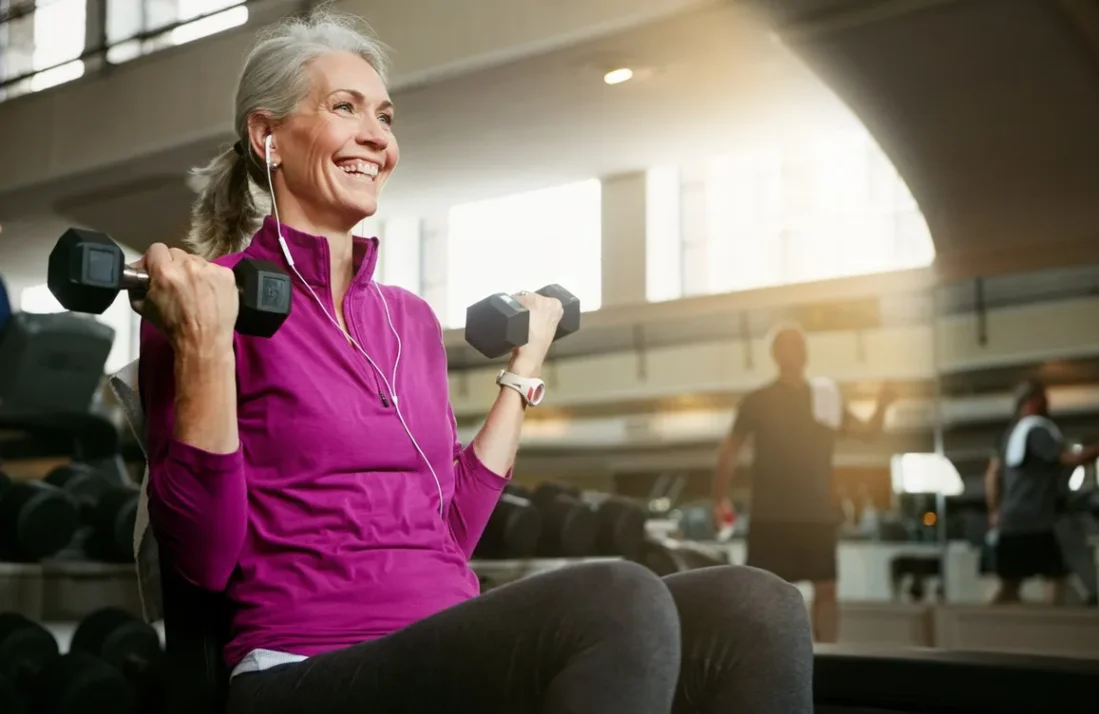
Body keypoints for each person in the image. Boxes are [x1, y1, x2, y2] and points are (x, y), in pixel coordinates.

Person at [134, 11, 813, 714]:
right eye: (344, 108)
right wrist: (206, 345)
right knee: (618, 598)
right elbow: (204, 562)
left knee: (755, 604)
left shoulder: (410, 321)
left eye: (386, 117)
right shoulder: (208, 303)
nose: (376, 136)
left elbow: (450, 536)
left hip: (440, 640)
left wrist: (525, 369)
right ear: (266, 135)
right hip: (305, 666)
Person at [713, 322, 896, 643]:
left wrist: (883, 405)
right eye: (787, 344)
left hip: (817, 512)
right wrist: (719, 499)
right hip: (772, 515)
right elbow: (729, 450)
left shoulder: (825, 397)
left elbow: (866, 433)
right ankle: (764, 658)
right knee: (764, 592)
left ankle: (828, 660)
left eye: (799, 344)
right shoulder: (758, 400)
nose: (795, 350)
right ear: (775, 354)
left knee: (826, 589)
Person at [984, 378, 1099, 605]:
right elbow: (1073, 458)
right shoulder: (1037, 431)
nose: (1047, 406)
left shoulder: (1008, 434)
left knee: (1009, 584)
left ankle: (981, 628)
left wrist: (994, 511)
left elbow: (991, 476)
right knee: (1056, 578)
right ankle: (1049, 631)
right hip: (1035, 521)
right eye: (1043, 401)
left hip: (1011, 521)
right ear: (1031, 403)